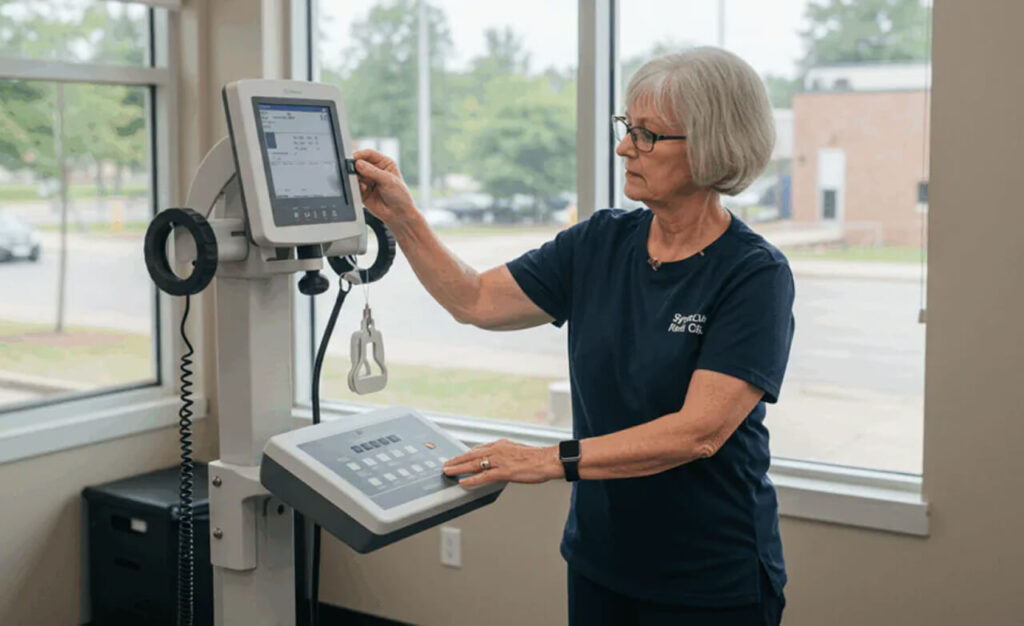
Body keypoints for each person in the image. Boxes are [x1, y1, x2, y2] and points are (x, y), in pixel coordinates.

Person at [353, 46, 794, 626]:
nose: (624, 148)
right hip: (601, 559)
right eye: (626, 127)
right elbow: (475, 299)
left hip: (709, 576)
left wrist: (546, 460)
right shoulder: (599, 242)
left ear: (712, 145)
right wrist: (403, 217)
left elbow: (698, 433)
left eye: (647, 135)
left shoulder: (753, 274)